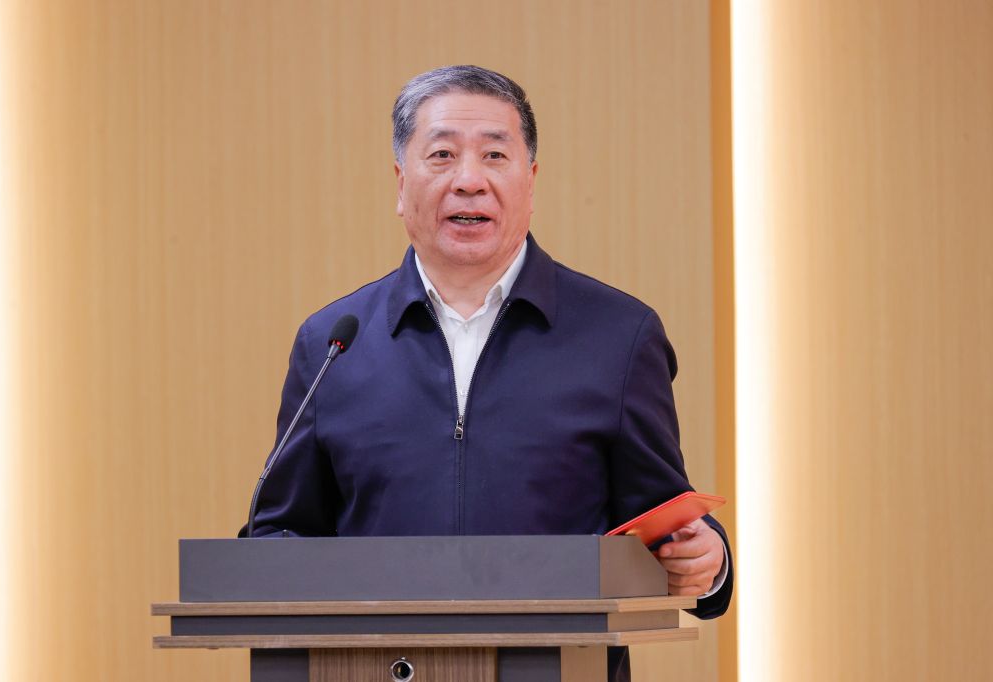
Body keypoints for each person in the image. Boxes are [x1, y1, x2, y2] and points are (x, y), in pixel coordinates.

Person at [249, 65, 732, 681]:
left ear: (531, 181)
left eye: (495, 155)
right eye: (442, 155)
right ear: (401, 183)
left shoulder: (619, 335)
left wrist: (707, 558)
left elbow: (662, 517)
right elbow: (280, 532)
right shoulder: (333, 343)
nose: (469, 181)